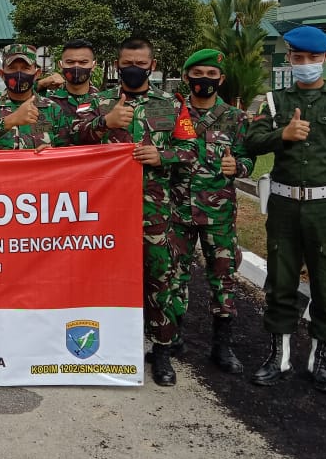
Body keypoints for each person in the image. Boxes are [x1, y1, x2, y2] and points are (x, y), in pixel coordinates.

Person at [245, 26, 326, 394]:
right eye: (298, 59)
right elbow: (251, 141)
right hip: (283, 205)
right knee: (281, 283)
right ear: (289, 59)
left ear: (325, 59)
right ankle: (278, 358)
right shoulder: (272, 102)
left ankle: (321, 359)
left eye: (312, 59)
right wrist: (281, 135)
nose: (305, 65)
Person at [73, 37, 196, 387]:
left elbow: (191, 151)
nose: (134, 69)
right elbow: (70, 139)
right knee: (101, 281)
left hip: (153, 210)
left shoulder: (172, 104)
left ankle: (160, 352)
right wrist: (105, 123)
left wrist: (164, 156)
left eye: (141, 64)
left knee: (160, 279)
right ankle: (105, 347)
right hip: (102, 212)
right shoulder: (97, 101)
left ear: (152, 67)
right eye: (128, 62)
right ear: (117, 63)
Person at [168, 48, 254, 375]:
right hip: (177, 210)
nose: (204, 80)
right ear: (187, 76)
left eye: (211, 75)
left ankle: (223, 345)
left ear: (221, 79)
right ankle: (171, 337)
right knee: (175, 276)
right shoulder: (172, 113)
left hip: (218, 213)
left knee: (222, 277)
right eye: (198, 74)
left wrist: (239, 167)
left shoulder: (236, 118)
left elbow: (247, 158)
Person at [0, 44, 71, 150]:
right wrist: (10, 120)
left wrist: (51, 152)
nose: (19, 73)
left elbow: (66, 152)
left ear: (37, 74)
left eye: (25, 68)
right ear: (2, 74)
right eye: (12, 68)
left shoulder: (53, 109)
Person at [45, 39, 100, 139]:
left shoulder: (104, 102)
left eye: (83, 62)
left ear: (93, 65)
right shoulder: (47, 101)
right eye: (70, 62)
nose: (76, 66)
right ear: (60, 65)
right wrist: (40, 84)